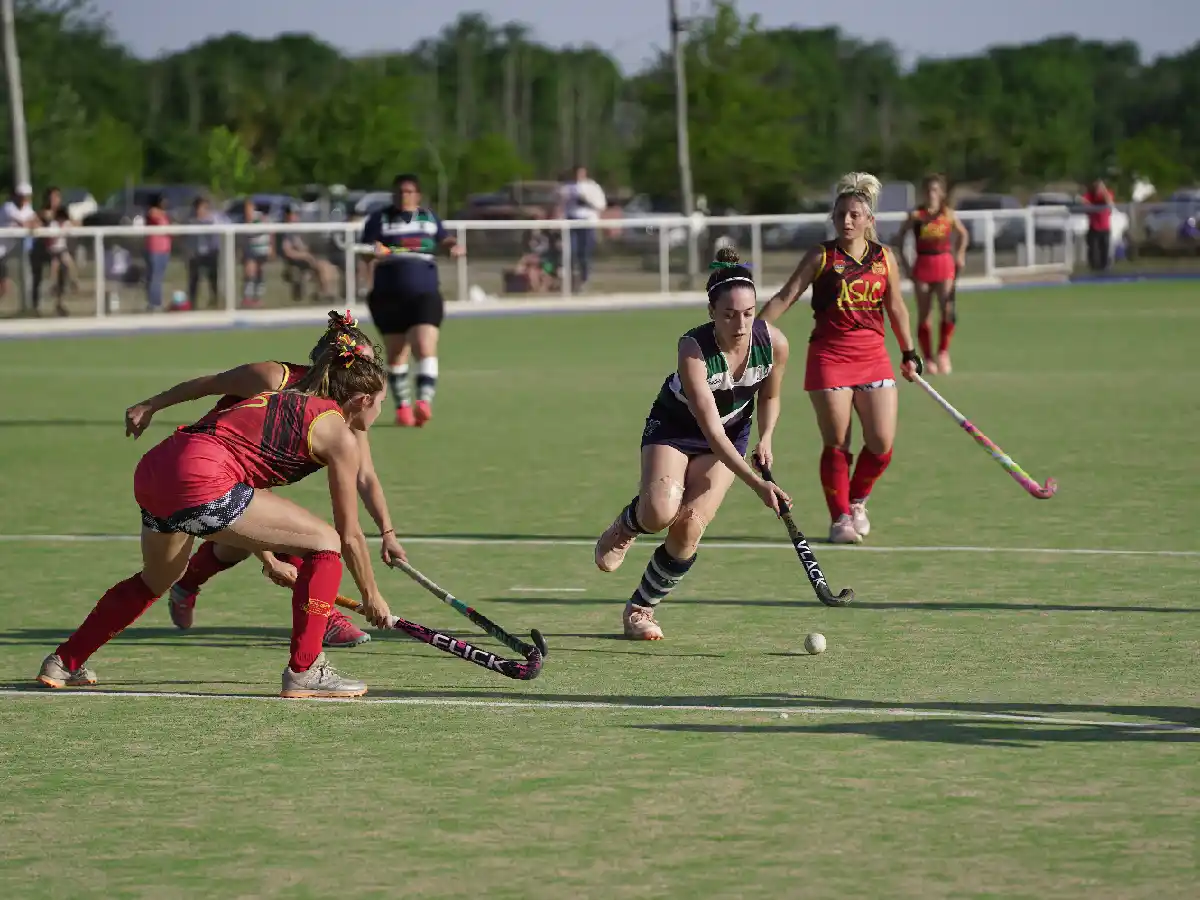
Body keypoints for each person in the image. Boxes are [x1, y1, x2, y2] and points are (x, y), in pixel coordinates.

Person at [38, 329, 395, 699]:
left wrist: (269, 557)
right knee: (325, 542)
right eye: (381, 403)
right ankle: (306, 670)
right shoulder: (338, 435)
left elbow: (246, 486)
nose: (381, 412)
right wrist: (372, 596)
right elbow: (349, 534)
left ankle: (64, 661)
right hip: (201, 478)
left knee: (155, 580)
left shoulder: (285, 394)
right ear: (362, 399)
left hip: (158, 469)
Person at [122, 311, 405, 649]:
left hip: (235, 476)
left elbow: (365, 476)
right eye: (361, 366)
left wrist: (387, 533)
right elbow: (208, 384)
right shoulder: (273, 379)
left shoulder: (350, 407)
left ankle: (186, 585)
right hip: (213, 467)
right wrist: (151, 405)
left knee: (237, 546)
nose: (367, 377)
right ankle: (323, 625)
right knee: (303, 541)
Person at [593, 247, 791, 640]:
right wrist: (757, 484)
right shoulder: (693, 349)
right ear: (711, 311)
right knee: (659, 512)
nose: (740, 324)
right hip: (676, 428)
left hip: (731, 433)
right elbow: (711, 431)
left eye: (749, 313)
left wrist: (766, 437)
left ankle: (641, 610)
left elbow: (770, 396)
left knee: (688, 528)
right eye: (729, 314)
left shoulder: (774, 344)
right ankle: (628, 524)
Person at [757, 172, 922, 545]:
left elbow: (896, 307)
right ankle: (840, 518)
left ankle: (857, 500)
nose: (846, 221)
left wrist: (909, 351)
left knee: (881, 443)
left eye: (854, 215)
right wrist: (753, 334)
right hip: (829, 357)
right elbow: (786, 296)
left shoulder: (884, 258)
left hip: (873, 356)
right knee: (837, 442)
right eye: (840, 215)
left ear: (869, 220)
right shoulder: (821, 256)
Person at [360, 173, 464, 427]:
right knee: (396, 354)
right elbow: (365, 250)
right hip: (387, 295)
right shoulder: (379, 219)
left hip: (424, 294)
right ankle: (403, 408)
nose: (402, 196)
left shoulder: (429, 218)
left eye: (408, 192)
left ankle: (424, 402)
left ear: (417, 195)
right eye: (398, 192)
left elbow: (444, 239)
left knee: (424, 345)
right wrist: (375, 251)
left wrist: (452, 246)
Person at [896, 174, 969, 374]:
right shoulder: (917, 216)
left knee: (947, 309)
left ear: (941, 193)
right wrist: (906, 265)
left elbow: (963, 234)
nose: (931, 194)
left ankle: (943, 352)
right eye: (928, 190)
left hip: (944, 263)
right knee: (924, 313)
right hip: (923, 264)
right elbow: (900, 238)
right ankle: (928, 358)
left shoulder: (947, 214)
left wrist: (960, 254)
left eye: (935, 190)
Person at [559, 165, 607, 291]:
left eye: (581, 173)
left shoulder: (592, 187)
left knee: (584, 253)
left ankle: (584, 279)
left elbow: (601, 205)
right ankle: (570, 280)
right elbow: (560, 202)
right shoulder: (567, 187)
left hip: (587, 222)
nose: (578, 176)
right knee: (571, 251)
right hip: (571, 221)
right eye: (576, 173)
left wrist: (586, 201)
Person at [144, 193, 171, 312]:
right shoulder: (152, 212)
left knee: (159, 276)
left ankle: (157, 301)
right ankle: (154, 303)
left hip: (165, 249)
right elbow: (154, 219)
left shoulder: (165, 214)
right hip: (155, 249)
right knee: (154, 277)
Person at [1081, 178, 1115, 273]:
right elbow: (1084, 203)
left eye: (1100, 186)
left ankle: (1105, 270)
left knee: (1105, 251)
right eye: (1096, 186)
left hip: (1105, 228)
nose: (1098, 188)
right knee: (1094, 252)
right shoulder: (1090, 196)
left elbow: (1109, 202)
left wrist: (1103, 191)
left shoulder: (1107, 194)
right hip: (1094, 228)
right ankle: (1094, 271)